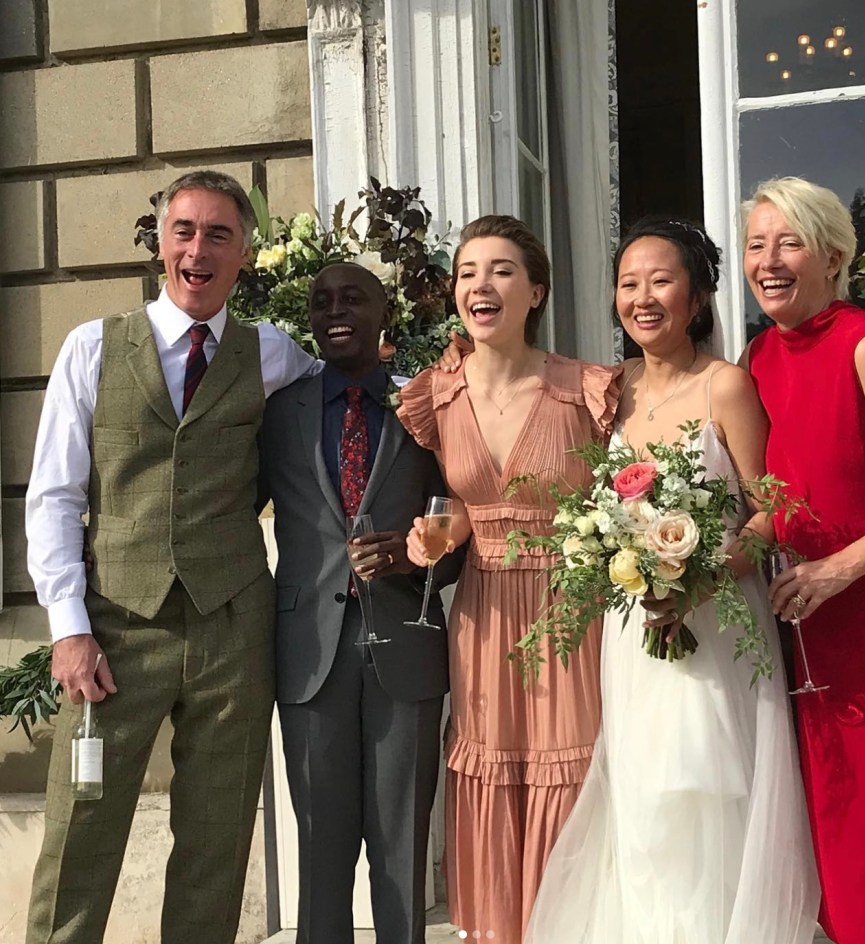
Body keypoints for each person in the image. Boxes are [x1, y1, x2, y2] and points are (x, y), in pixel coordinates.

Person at [24, 169, 319, 944]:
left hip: (232, 628)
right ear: (160, 244)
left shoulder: (274, 355)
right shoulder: (93, 347)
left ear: (245, 255)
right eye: (184, 231)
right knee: (79, 827)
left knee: (216, 841)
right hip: (114, 627)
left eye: (219, 234)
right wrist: (68, 627)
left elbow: (346, 399)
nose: (198, 248)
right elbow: (54, 495)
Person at [526, 218, 819, 943]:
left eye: (661, 281)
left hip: (717, 627)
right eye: (628, 284)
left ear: (695, 298)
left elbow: (769, 510)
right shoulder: (609, 390)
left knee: (706, 793)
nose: (642, 297)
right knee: (644, 797)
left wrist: (700, 578)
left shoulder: (727, 386)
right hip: (634, 633)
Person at [396, 215, 621, 942]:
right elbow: (458, 504)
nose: (479, 284)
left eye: (499, 270)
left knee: (570, 774)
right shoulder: (435, 396)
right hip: (484, 610)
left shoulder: (586, 390)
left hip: (572, 610)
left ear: (535, 292)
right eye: (467, 272)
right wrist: (443, 532)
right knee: (490, 770)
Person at [742, 177, 865, 944]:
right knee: (834, 845)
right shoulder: (758, 357)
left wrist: (838, 569)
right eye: (756, 244)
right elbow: (784, 497)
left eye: (788, 242)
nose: (768, 260)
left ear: (834, 255)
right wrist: (688, 558)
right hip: (811, 643)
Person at [257, 262, 461, 944]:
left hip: (405, 640)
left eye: (352, 298)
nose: (334, 311)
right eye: (320, 302)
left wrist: (416, 554)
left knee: (400, 843)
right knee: (320, 845)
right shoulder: (276, 412)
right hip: (307, 652)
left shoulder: (423, 409)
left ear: (384, 315)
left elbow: (459, 521)